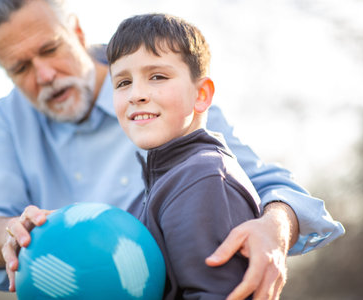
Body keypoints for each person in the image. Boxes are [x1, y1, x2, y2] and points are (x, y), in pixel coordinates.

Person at [0, 0, 344, 299]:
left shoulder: (169, 90)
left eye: (50, 49)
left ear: (75, 30)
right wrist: (12, 231)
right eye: (20, 68)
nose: (43, 75)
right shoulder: (11, 116)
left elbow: (259, 181)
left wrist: (277, 226)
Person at [107, 13, 262, 299]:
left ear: (201, 94)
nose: (136, 94)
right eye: (123, 82)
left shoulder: (203, 179)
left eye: (157, 77)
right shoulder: (161, 180)